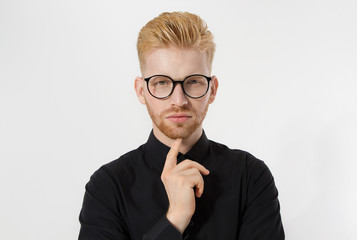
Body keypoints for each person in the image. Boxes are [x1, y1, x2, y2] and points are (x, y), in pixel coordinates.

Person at [79, 12, 284, 240]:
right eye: (162, 82)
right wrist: (175, 218)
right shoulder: (107, 188)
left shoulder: (251, 177)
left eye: (193, 81)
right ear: (141, 90)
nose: (179, 100)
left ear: (212, 89)